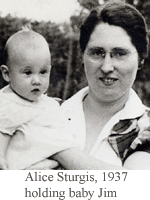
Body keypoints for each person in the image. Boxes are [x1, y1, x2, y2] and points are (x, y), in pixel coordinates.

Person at [28, 0, 150, 170]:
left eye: (120, 53)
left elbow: (134, 188)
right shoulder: (44, 112)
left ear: (141, 59)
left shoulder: (146, 127)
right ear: (83, 56)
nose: (107, 67)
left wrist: (57, 149)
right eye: (97, 53)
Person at [0, 29, 124, 170]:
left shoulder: (48, 103)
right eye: (28, 73)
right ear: (6, 74)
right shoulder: (9, 103)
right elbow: (2, 130)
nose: (37, 80)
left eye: (43, 72)